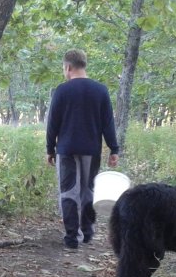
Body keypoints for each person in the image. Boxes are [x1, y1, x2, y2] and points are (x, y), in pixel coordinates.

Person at [46, 49, 120, 249]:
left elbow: (53, 122)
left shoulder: (62, 90)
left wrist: (50, 149)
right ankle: (87, 233)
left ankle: (72, 238)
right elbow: (108, 123)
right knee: (88, 191)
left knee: (69, 192)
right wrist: (114, 149)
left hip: (67, 149)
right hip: (91, 149)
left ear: (68, 67)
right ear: (84, 65)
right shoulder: (101, 90)